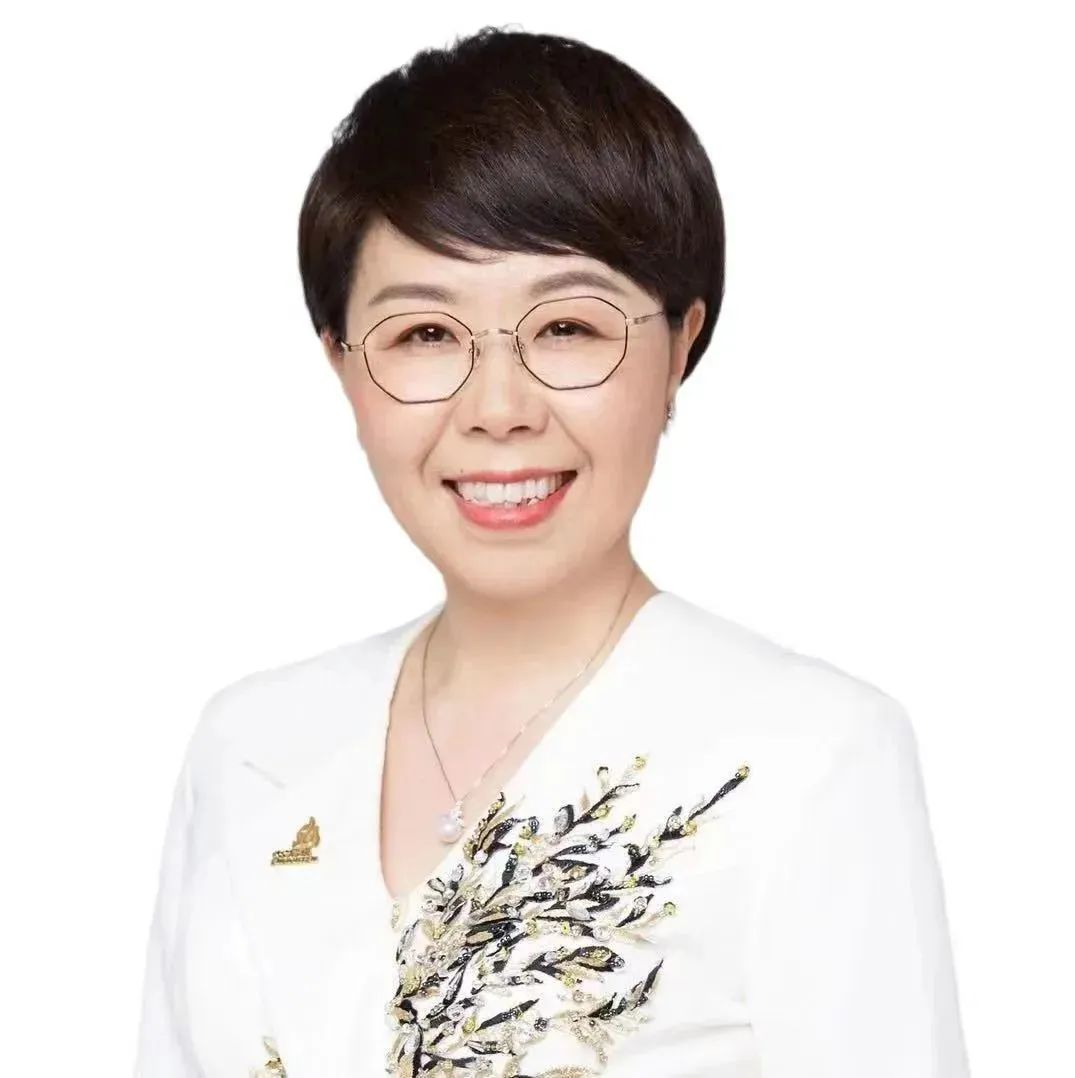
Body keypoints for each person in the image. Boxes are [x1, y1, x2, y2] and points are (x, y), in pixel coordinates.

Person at [133, 26, 971, 1078]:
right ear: (342, 365)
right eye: (424, 334)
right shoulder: (249, 744)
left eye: (567, 328)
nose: (498, 408)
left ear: (681, 345)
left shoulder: (808, 755)